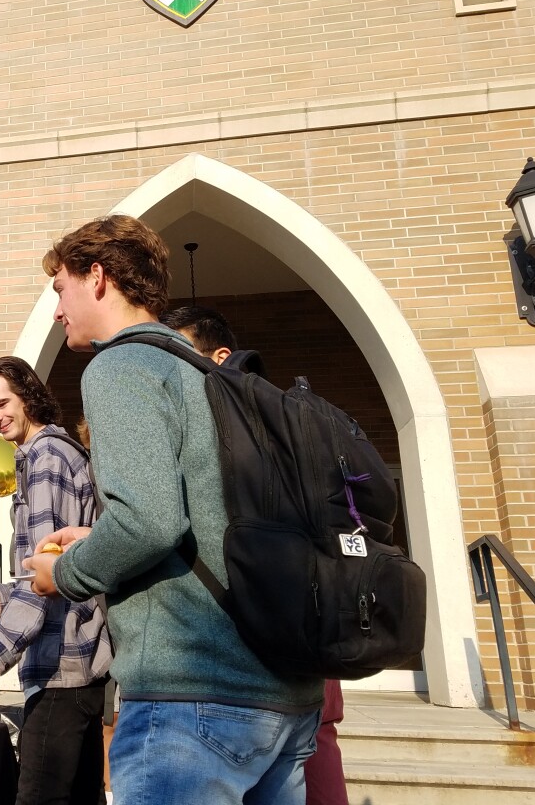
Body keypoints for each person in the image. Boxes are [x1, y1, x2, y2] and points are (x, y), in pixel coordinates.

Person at [24, 215, 324, 805]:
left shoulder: (120, 366)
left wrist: (64, 574)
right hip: (282, 696)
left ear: (98, 278)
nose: (58, 311)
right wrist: (101, 532)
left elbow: (150, 521)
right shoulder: (209, 376)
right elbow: (195, 513)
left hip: (191, 700)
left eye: (60, 289)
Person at [160, 305, 349, 805]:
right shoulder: (270, 421)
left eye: (179, 353)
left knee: (316, 771)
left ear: (220, 356)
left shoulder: (246, 429)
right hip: (290, 651)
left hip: (279, 644)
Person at [0, 356, 113, 805]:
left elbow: (49, 570)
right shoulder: (52, 455)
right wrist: (5, 595)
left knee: (39, 798)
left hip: (61, 663)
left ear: (29, 396)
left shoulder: (46, 457)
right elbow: (59, 561)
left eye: (2, 403)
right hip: (78, 663)